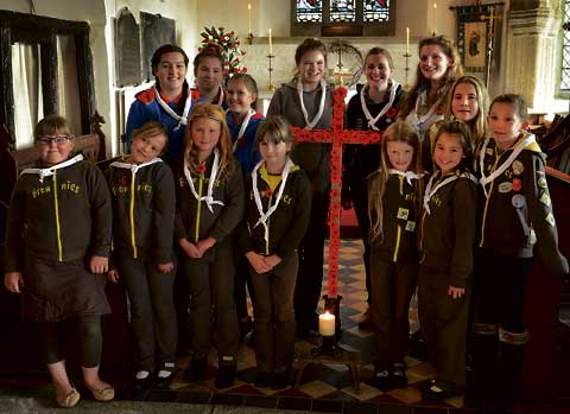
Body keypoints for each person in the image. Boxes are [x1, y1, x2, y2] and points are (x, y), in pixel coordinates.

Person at [4, 115, 114, 407]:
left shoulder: (87, 173)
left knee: (90, 324)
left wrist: (101, 251)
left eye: (61, 139)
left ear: (71, 143)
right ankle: (61, 383)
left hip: (82, 265)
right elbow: (13, 227)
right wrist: (12, 267)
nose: (54, 146)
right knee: (48, 325)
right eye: (45, 140)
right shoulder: (26, 181)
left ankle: (92, 379)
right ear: (37, 145)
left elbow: (104, 213)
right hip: (41, 266)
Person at [469, 94, 569, 407]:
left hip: (515, 252)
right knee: (484, 312)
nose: (499, 125)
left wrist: (553, 256)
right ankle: (482, 374)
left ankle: (508, 381)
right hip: (484, 248)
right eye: (494, 117)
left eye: (508, 119)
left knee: (511, 317)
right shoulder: (484, 149)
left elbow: (542, 207)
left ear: (523, 124)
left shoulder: (529, 158)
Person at [174, 103, 244, 389]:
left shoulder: (230, 166)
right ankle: (200, 355)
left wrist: (211, 239)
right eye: (199, 130)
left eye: (212, 131)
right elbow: (172, 208)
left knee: (225, 301)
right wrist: (183, 240)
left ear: (221, 134)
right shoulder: (179, 165)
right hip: (190, 246)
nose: (205, 136)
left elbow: (236, 207)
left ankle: (228, 357)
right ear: (190, 131)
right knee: (199, 302)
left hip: (220, 246)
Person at [267, 37, 332, 338]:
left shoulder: (334, 95)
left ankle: (307, 310)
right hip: (288, 184)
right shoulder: (283, 94)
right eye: (308, 62)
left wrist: (323, 177)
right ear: (298, 64)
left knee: (313, 251)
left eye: (319, 63)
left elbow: (337, 140)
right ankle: (283, 309)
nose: (313, 68)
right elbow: (271, 135)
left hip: (320, 184)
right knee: (287, 247)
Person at [239, 116, 311, 390]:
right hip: (255, 257)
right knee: (262, 311)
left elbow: (300, 223)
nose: (271, 149)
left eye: (277, 143)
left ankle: (283, 365)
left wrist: (278, 256)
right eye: (265, 143)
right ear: (259, 146)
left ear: (289, 146)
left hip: (284, 258)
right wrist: (250, 254)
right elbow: (241, 220)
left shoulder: (298, 180)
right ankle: (264, 365)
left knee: (283, 310)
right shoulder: (252, 179)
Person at [105, 121, 177, 390]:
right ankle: (145, 361)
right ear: (134, 137)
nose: (146, 148)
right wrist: (111, 259)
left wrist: (163, 255)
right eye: (144, 141)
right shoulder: (113, 171)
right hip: (128, 257)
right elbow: (106, 218)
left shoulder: (160, 173)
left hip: (158, 256)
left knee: (163, 308)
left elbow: (165, 217)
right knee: (140, 309)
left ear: (160, 154)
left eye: (154, 147)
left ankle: (167, 359)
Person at [343, 47, 404, 329]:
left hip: (394, 181)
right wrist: (344, 181)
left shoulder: (402, 100)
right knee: (370, 244)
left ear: (391, 70)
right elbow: (345, 143)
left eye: (381, 66)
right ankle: (373, 304)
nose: (376, 72)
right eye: (371, 66)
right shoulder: (355, 102)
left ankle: (395, 308)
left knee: (395, 244)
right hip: (362, 182)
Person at [419, 120, 478, 400]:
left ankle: (452, 378)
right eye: (440, 148)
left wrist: (459, 277)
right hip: (429, 266)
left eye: (453, 150)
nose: (445, 155)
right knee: (430, 319)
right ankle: (440, 369)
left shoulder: (463, 186)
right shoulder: (435, 178)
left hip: (450, 271)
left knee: (450, 324)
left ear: (464, 152)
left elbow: (465, 237)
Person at [367, 120, 423, 390]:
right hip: (381, 257)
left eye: (406, 153)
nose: (400, 159)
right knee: (382, 309)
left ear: (416, 153)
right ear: (385, 152)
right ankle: (382, 358)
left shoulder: (422, 185)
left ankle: (398, 358)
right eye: (394, 153)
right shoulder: (377, 181)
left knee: (401, 310)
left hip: (409, 260)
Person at [225, 73, 265, 337]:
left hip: (254, 199)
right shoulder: (220, 120)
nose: (235, 98)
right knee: (232, 266)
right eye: (230, 92)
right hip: (226, 197)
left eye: (241, 93)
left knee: (252, 262)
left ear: (252, 97)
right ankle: (239, 316)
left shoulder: (261, 125)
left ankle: (261, 321)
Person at [400, 35, 463, 171]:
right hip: (412, 169)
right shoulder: (415, 96)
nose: (428, 63)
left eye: (436, 57)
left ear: (450, 61)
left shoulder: (457, 96)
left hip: (442, 169)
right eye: (424, 58)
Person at [126, 44, 192, 163]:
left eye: (179, 66)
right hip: (154, 173)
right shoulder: (142, 105)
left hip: (191, 170)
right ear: (155, 70)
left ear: (186, 70)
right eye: (166, 66)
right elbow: (132, 146)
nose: (173, 71)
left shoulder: (199, 103)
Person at [445, 75, 489, 149]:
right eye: (458, 97)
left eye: (471, 97)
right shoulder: (436, 132)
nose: (464, 103)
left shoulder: (491, 138)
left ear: (481, 102)